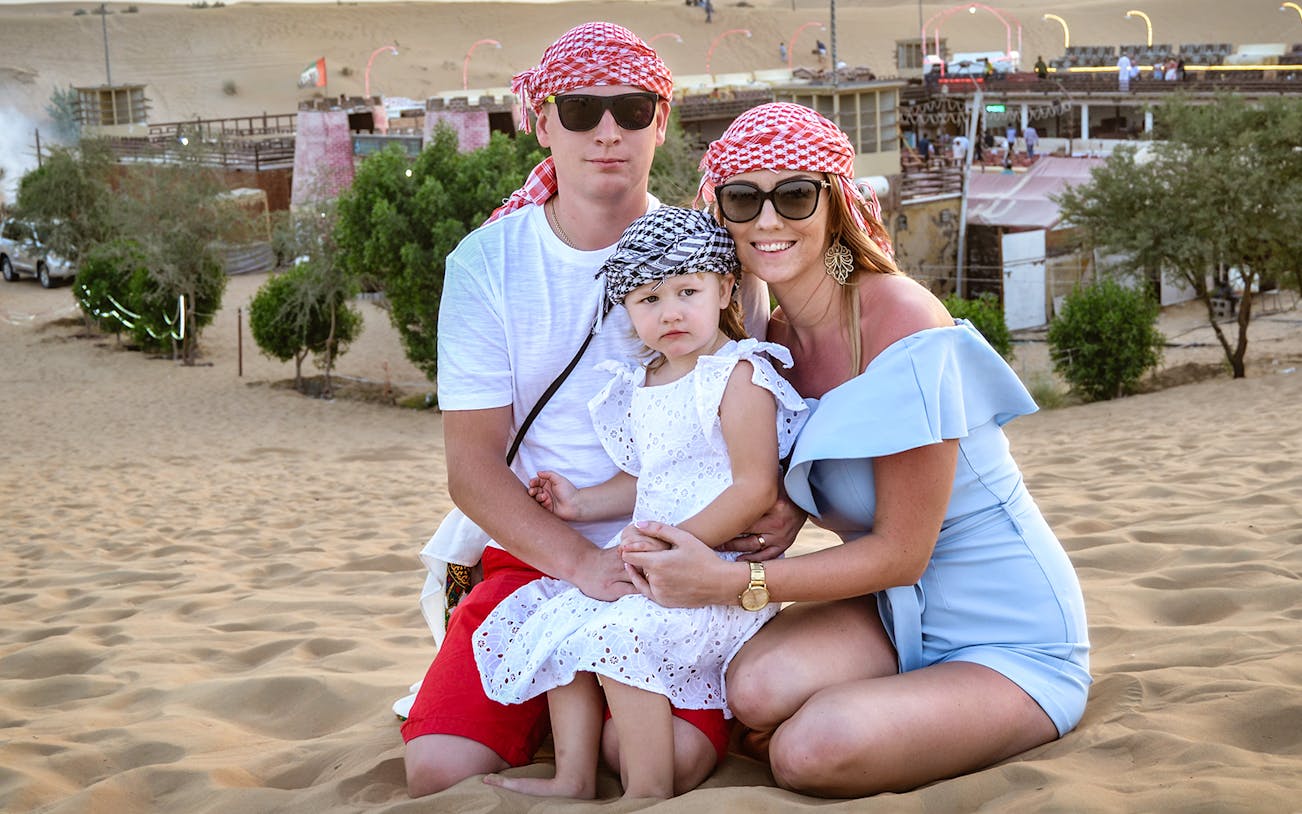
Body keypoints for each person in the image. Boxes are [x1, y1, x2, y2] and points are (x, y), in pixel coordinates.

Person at [621, 102, 1091, 797]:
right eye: (744, 198)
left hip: (1006, 633)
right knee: (751, 690)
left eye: (795, 194)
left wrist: (729, 584)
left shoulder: (899, 317)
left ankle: (909, 713)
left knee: (809, 752)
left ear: (835, 204)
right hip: (890, 607)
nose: (769, 220)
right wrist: (786, 503)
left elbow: (905, 550)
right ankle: (895, 709)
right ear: (721, 213)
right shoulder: (772, 345)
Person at [399, 23, 791, 798]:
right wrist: (584, 563)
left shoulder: (717, 259)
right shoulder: (488, 264)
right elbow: (473, 470)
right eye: (580, 110)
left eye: (633, 109)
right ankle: (550, 696)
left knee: (652, 760)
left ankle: (576, 707)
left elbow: (774, 410)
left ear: (662, 121)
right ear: (542, 121)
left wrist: (789, 510)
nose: (608, 131)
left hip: (685, 559)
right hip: (542, 551)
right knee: (440, 772)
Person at [471, 206, 807, 799]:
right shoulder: (645, 382)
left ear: (725, 286)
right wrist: (579, 504)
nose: (670, 311)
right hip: (659, 562)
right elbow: (646, 477)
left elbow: (754, 488)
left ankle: (645, 791)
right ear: (626, 310)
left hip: (710, 574)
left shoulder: (738, 375)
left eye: (687, 290)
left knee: (623, 632)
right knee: (563, 622)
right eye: (647, 298)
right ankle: (572, 777)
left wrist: (677, 544)